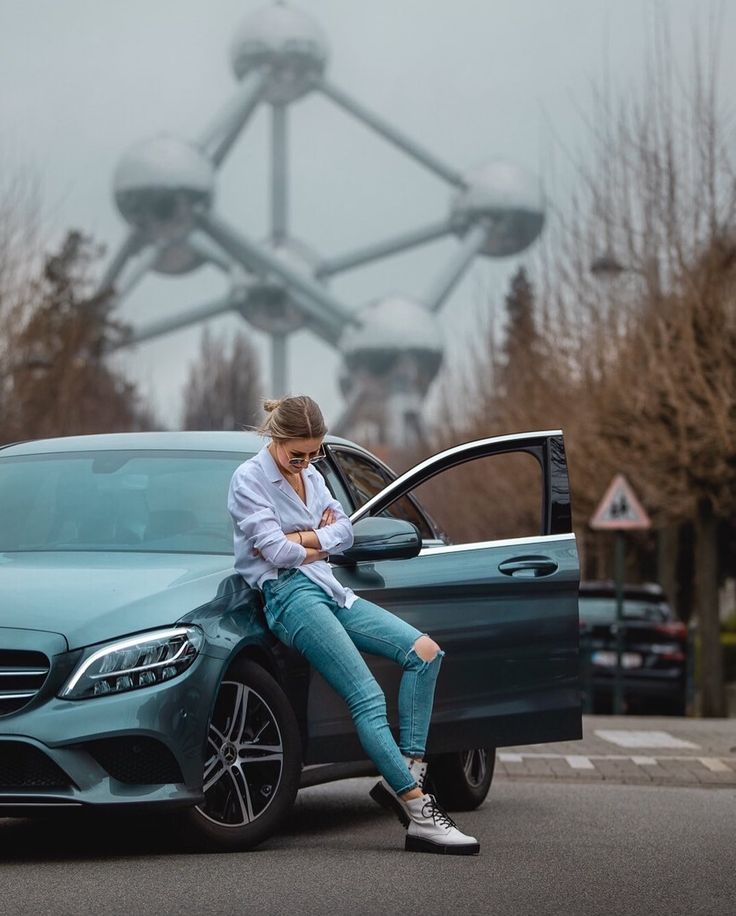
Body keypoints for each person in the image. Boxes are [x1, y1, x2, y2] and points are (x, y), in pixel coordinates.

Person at [227, 395, 479, 856]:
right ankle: (419, 812)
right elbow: (277, 556)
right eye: (295, 454)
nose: (304, 463)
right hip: (288, 597)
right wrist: (312, 540)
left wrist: (302, 539)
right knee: (366, 696)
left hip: (327, 587)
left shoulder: (314, 475)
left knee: (425, 652)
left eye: (312, 453)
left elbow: (344, 533)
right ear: (274, 439)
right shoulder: (248, 480)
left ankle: (406, 771)